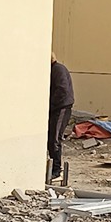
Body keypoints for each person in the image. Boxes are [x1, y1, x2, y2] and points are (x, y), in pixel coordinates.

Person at [48, 52, 74, 180]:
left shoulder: (58, 70)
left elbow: (62, 91)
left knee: (55, 138)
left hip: (61, 107)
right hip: (57, 107)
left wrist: (51, 104)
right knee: (52, 138)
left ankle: (56, 170)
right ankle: (53, 167)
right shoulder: (56, 69)